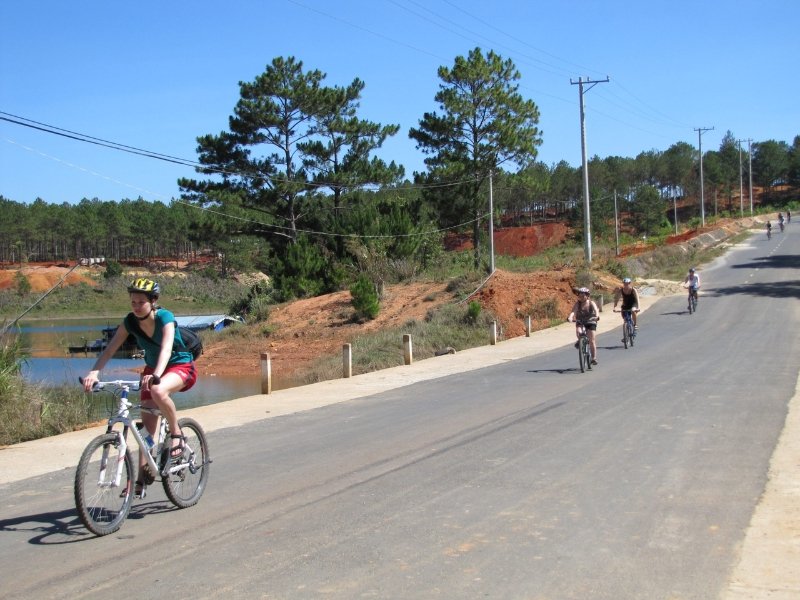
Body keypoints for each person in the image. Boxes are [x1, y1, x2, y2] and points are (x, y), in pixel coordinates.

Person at [83, 278, 197, 497]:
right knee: (147, 429)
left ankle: (176, 433)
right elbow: (109, 350)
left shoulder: (165, 317)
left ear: (153, 301)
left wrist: (156, 375)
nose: (136, 306)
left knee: (158, 391)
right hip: (152, 371)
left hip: (179, 365)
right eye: (133, 301)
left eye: (140, 302)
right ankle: (142, 479)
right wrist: (94, 372)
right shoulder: (130, 322)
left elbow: (165, 349)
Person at [567, 287, 600, 365]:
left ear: (587, 296)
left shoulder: (591, 303)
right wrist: (570, 317)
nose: (581, 297)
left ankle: (593, 358)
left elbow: (596, 310)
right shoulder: (577, 303)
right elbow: (573, 312)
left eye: (583, 295)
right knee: (579, 332)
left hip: (591, 321)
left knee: (591, 340)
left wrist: (597, 316)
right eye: (580, 295)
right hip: (580, 321)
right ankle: (580, 341)